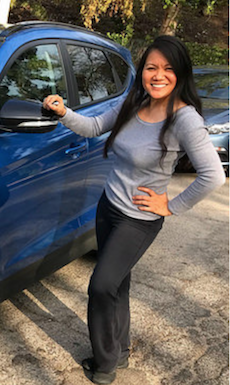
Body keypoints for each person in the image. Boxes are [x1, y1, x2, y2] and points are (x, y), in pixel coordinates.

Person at [42, 35, 225, 385]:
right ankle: (119, 351)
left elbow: (213, 175)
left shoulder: (184, 119)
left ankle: (105, 362)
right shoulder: (134, 101)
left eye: (168, 69)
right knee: (118, 284)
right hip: (108, 206)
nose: (158, 75)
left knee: (101, 285)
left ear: (181, 74)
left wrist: (171, 205)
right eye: (152, 67)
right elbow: (95, 127)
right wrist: (63, 112)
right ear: (142, 72)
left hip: (139, 220)